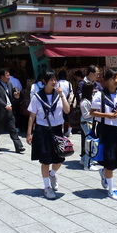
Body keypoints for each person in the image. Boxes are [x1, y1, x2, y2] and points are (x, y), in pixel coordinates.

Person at [26, 70, 70, 200]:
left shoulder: (58, 95)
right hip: (42, 130)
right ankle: (46, 187)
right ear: (44, 82)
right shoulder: (37, 97)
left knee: (59, 159)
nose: (54, 82)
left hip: (57, 130)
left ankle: (52, 174)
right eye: (51, 80)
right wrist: (29, 133)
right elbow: (32, 115)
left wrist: (62, 95)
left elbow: (67, 110)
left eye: (55, 79)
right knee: (45, 160)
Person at [90, 68, 117, 201]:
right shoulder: (100, 95)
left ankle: (104, 173)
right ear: (107, 80)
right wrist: (106, 115)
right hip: (105, 129)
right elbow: (92, 112)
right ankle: (111, 189)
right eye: (113, 78)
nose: (116, 80)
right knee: (109, 159)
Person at [0, 68, 26, 153]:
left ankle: (19, 146)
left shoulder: (10, 85)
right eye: (7, 75)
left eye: (9, 75)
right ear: (2, 77)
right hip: (0, 112)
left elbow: (12, 98)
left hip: (10, 111)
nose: (9, 77)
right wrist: (5, 106)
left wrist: (17, 97)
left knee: (13, 129)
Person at [79, 81, 96, 170]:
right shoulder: (84, 102)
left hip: (90, 122)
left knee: (89, 141)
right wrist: (95, 113)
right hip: (86, 123)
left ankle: (84, 159)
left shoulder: (89, 100)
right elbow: (85, 115)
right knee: (89, 142)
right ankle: (88, 164)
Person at [57, 70, 73, 137]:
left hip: (60, 102)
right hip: (68, 102)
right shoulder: (69, 83)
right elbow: (71, 93)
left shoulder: (58, 83)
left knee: (61, 117)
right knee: (68, 117)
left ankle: (62, 130)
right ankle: (69, 131)